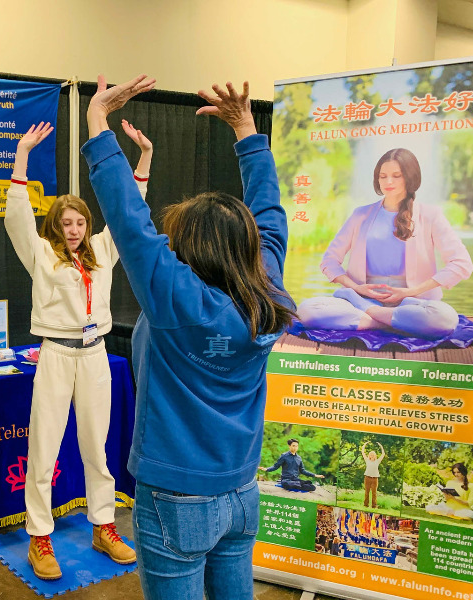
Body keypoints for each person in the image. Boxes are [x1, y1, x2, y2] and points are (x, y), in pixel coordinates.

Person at [81, 74, 294, 600]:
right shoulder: (266, 291)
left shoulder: (179, 301)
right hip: (242, 490)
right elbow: (269, 217)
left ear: (190, 249)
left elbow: (130, 224)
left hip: (176, 496)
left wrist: (96, 123)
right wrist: (247, 131)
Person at [5, 118, 153, 580]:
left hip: (94, 354)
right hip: (55, 354)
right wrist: (22, 155)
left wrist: (145, 156)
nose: (73, 229)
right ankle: (40, 537)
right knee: (44, 448)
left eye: (80, 222)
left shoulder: (102, 250)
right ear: (55, 225)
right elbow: (16, 218)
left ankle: (104, 526)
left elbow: (131, 211)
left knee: (97, 445)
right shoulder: (41, 253)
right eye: (65, 223)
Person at [298, 148, 472, 339]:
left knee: (444, 319)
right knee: (308, 310)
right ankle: (389, 322)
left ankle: (375, 320)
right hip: (360, 301)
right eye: (383, 176)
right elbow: (329, 261)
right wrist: (356, 288)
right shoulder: (361, 215)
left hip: (412, 303)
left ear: (410, 177)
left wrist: (412, 291)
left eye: (396, 176)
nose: (388, 182)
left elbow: (461, 263)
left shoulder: (431, 215)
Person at [260, 438, 325, 492]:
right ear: (289, 446)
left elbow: (303, 471)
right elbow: (276, 466)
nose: (295, 448)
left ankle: (300, 483)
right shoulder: (284, 456)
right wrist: (266, 469)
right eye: (293, 446)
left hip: (295, 479)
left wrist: (315, 475)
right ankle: (301, 484)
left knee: (313, 487)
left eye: (296, 446)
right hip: (286, 480)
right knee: (287, 484)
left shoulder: (299, 458)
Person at [361, 441, 385, 508]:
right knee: (367, 492)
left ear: (375, 456)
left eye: (373, 454)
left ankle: (374, 506)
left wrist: (381, 446)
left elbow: (383, 454)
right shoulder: (367, 460)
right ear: (369, 455)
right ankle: (366, 505)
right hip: (367, 478)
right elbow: (362, 452)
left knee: (374, 493)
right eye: (370, 454)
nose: (372, 455)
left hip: (375, 479)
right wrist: (365, 444)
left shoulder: (377, 461)